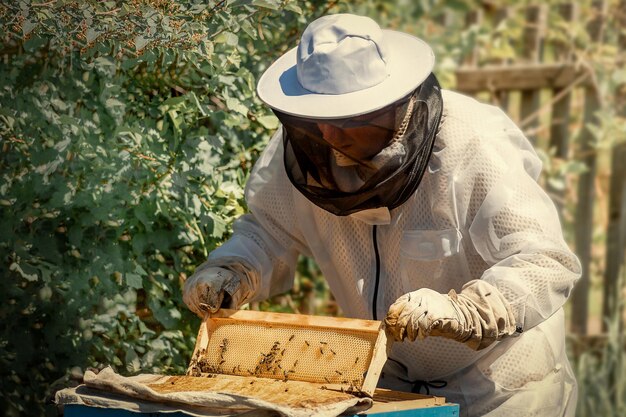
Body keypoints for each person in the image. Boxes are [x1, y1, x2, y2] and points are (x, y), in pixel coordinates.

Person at [183, 13, 581, 417]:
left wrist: (471, 310)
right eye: (316, 119)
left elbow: (545, 261)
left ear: (395, 105)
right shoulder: (307, 152)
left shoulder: (473, 145)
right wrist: (233, 268)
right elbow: (269, 231)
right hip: (387, 389)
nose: (329, 136)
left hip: (498, 390)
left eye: (346, 120)